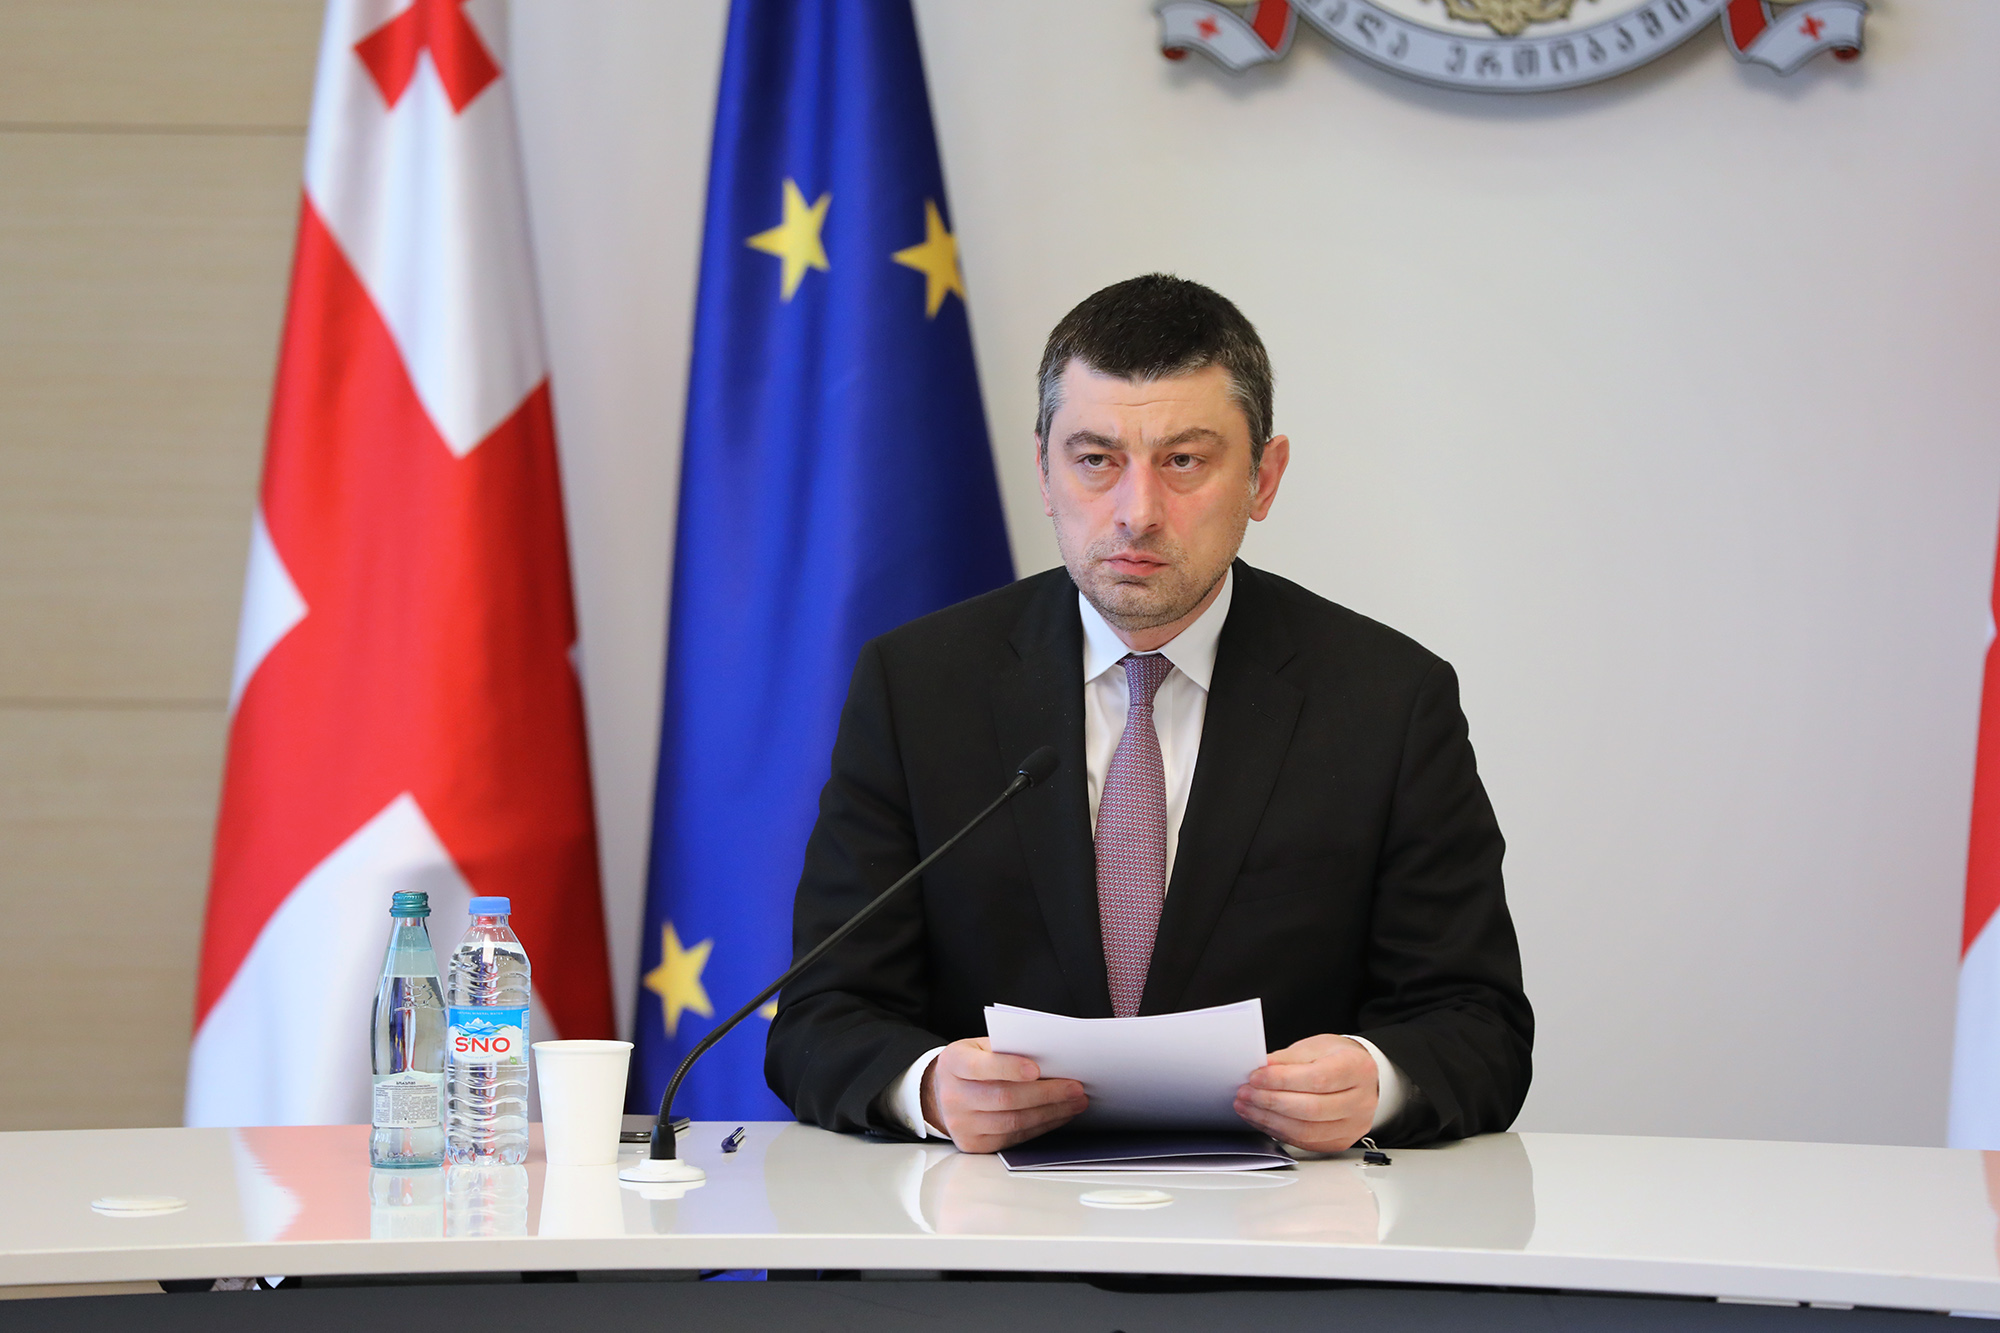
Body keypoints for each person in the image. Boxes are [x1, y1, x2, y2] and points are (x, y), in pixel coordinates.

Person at [765, 274, 1531, 1154]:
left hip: (1289, 1222)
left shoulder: (1389, 700)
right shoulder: (917, 688)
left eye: (1184, 461)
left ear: (1264, 477)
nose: (1136, 513)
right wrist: (930, 1087)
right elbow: (822, 1014)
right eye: (1096, 460)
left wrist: (1376, 1079)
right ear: (1044, 472)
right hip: (985, 1220)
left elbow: (1478, 1024)